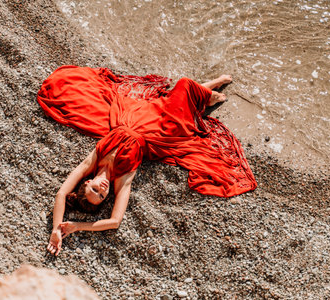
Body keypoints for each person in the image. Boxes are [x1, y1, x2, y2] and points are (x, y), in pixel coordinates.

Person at [37, 66, 257, 256]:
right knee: (184, 86)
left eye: (94, 190)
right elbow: (115, 221)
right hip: (157, 133)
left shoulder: (92, 162)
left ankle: (207, 96)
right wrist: (76, 227)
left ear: (87, 183)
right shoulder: (121, 178)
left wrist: (57, 229)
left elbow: (61, 194)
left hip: (133, 117)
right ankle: (209, 97)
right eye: (103, 196)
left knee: (175, 94)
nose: (102, 190)